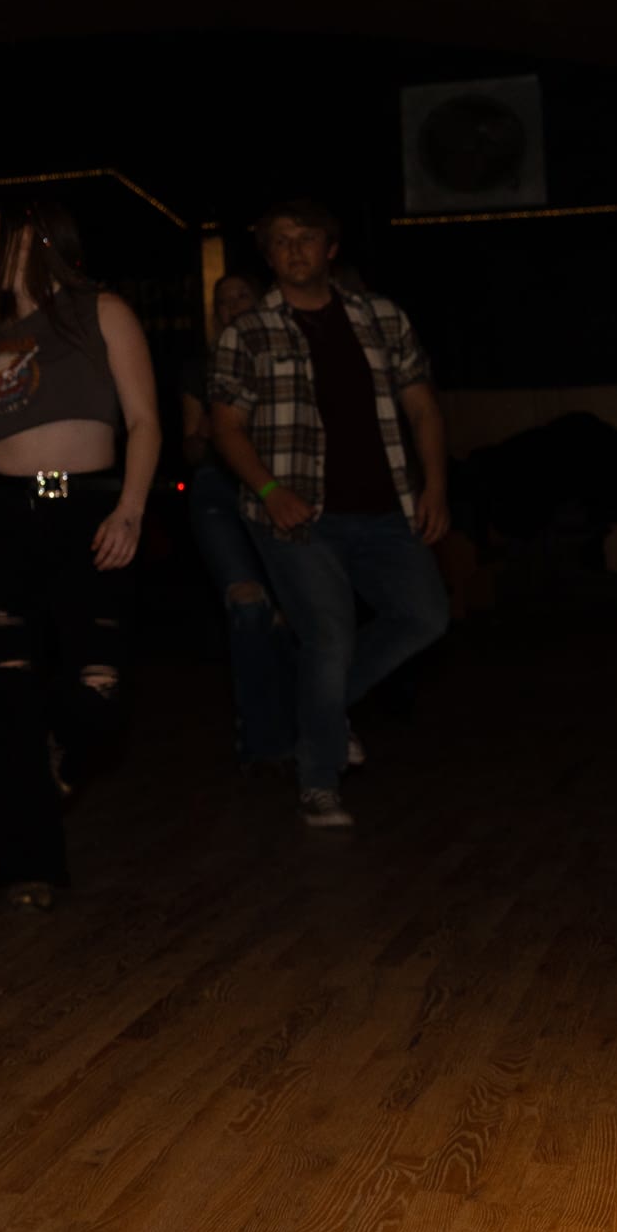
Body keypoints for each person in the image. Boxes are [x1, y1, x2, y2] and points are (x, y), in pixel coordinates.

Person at [0, 200, 158, 909]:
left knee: (99, 690)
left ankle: (60, 753)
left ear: (30, 240)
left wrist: (131, 508)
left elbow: (145, 421)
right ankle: (26, 866)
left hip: (88, 514)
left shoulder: (103, 312)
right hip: (0, 518)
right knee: (10, 697)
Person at [208, 200, 452, 828]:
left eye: (306, 238)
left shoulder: (382, 317)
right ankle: (318, 782)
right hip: (296, 514)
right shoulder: (248, 332)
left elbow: (422, 407)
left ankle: (320, 707)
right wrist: (269, 491)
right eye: (281, 241)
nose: (294, 250)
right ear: (269, 257)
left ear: (331, 248)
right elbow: (226, 427)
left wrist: (435, 486)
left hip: (385, 507)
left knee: (425, 615)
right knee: (329, 633)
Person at [180, 270, 295, 767]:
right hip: (218, 489)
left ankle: (299, 721)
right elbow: (190, 450)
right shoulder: (198, 367)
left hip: (277, 487)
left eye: (242, 296)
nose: (234, 307)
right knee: (247, 604)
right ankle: (260, 737)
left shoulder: (284, 354)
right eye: (223, 302)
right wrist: (206, 430)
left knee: (287, 612)